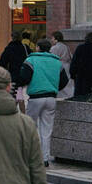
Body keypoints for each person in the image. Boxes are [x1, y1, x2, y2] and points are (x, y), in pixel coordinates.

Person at [19, 38, 69, 166]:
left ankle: (30, 157)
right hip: (51, 98)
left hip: (35, 97)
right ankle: (44, 158)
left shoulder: (31, 60)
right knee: (46, 130)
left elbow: (24, 78)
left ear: (38, 48)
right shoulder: (57, 62)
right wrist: (53, 87)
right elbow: (64, 81)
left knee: (30, 127)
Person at [50, 30, 74, 99]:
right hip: (67, 66)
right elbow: (71, 57)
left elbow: (51, 59)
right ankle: (69, 96)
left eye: (52, 38)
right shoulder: (66, 47)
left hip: (58, 66)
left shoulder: (54, 48)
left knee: (60, 82)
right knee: (67, 82)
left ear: (56, 38)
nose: (51, 40)